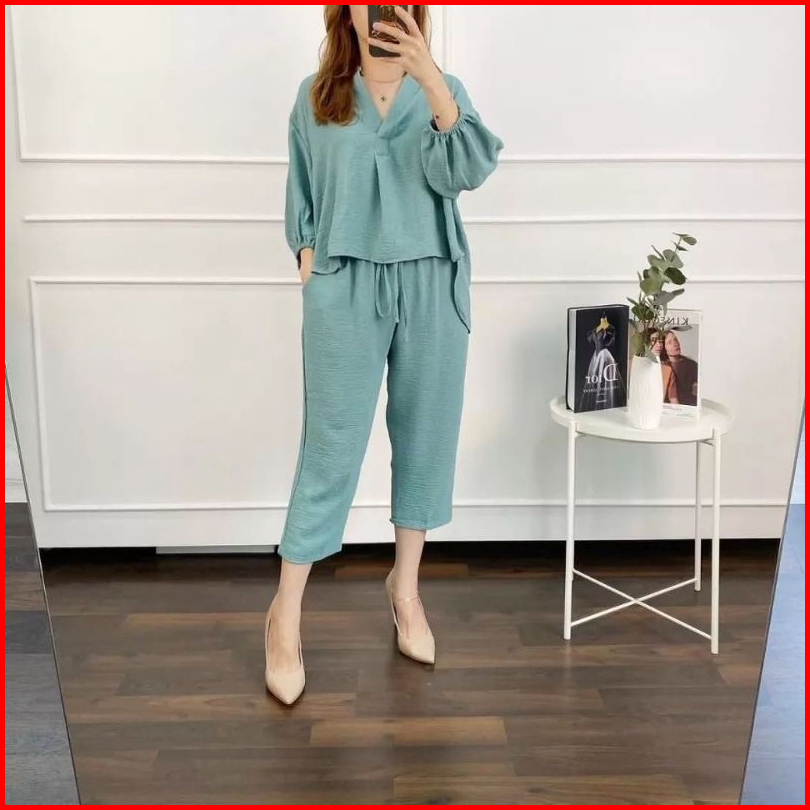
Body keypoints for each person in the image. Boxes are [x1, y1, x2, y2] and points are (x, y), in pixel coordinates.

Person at [263, 5, 504, 705]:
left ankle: (406, 588)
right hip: (345, 282)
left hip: (432, 278)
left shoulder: (443, 90)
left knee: (426, 438)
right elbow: (302, 190)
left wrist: (432, 81)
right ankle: (284, 614)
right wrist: (308, 260)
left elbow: (469, 169)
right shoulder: (317, 98)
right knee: (330, 449)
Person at [660, 330, 698, 406]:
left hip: (688, 404)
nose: (675, 344)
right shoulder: (661, 367)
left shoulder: (691, 364)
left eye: (675, 340)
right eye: (669, 342)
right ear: (663, 348)